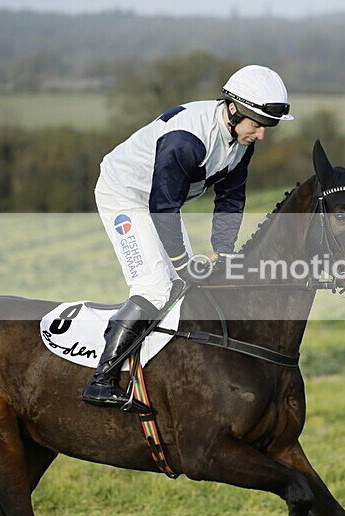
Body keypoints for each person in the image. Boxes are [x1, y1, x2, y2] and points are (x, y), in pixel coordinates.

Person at [82, 65, 293, 410]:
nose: (262, 135)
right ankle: (100, 381)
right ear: (234, 110)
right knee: (155, 288)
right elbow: (162, 207)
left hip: (161, 201)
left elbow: (231, 198)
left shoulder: (242, 139)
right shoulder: (187, 140)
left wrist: (223, 250)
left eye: (267, 127)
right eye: (257, 125)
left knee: (183, 285)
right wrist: (181, 260)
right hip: (125, 195)